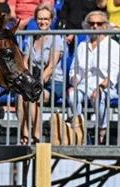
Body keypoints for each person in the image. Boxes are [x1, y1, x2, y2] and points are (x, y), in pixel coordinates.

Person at [67, 10, 120, 145]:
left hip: (106, 86)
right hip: (84, 85)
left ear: (105, 26)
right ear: (87, 26)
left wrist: (101, 86)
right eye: (91, 23)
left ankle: (102, 129)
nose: (95, 26)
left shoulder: (113, 46)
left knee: (98, 95)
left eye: (99, 23)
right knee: (71, 95)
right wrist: (74, 80)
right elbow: (75, 70)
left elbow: (113, 74)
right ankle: (80, 129)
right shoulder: (82, 45)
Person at [18, 3, 64, 144]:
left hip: (53, 82)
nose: (42, 22)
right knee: (21, 96)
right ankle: (25, 133)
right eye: (39, 19)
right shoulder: (31, 37)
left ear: (51, 20)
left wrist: (36, 83)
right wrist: (26, 79)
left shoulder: (56, 38)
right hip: (34, 80)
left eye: (46, 19)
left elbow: (51, 66)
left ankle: (36, 135)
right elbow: (25, 61)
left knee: (33, 95)